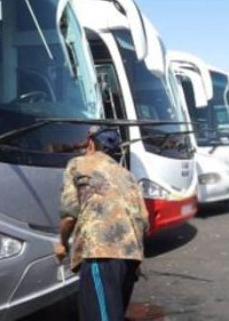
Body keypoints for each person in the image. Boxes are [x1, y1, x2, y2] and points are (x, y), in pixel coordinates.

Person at [55, 126, 150, 320]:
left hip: (101, 254)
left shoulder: (78, 164)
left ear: (91, 142)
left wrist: (62, 244)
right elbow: (144, 218)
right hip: (131, 257)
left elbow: (69, 216)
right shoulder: (126, 174)